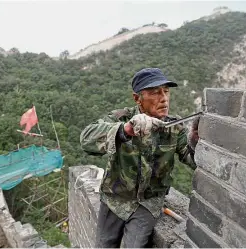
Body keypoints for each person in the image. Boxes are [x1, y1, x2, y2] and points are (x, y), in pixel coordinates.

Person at [79, 68, 199, 248]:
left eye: (166, 91)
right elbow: (86, 139)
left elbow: (192, 161)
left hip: (148, 203)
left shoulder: (175, 127)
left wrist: (196, 142)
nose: (164, 98)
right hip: (114, 198)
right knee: (103, 245)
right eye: (154, 93)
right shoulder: (122, 118)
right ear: (137, 98)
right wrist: (125, 129)